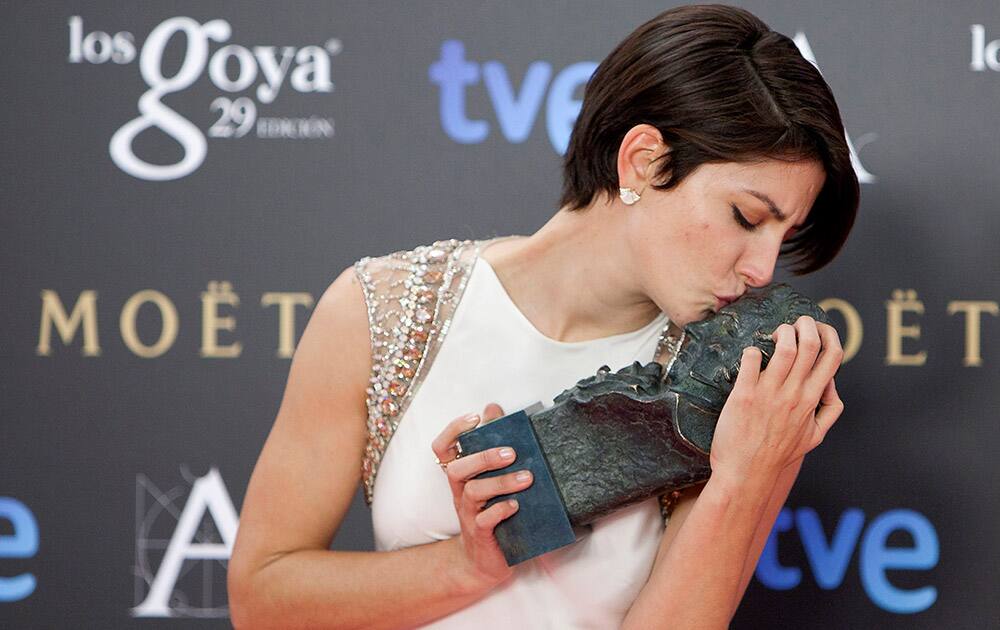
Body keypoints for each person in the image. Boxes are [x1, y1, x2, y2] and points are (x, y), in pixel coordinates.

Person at [227, 4, 859, 628]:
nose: (763, 269)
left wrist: (743, 480)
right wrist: (471, 564)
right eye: (746, 218)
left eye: (783, 235)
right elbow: (263, 597)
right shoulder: (387, 309)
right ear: (644, 160)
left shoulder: (738, 376)